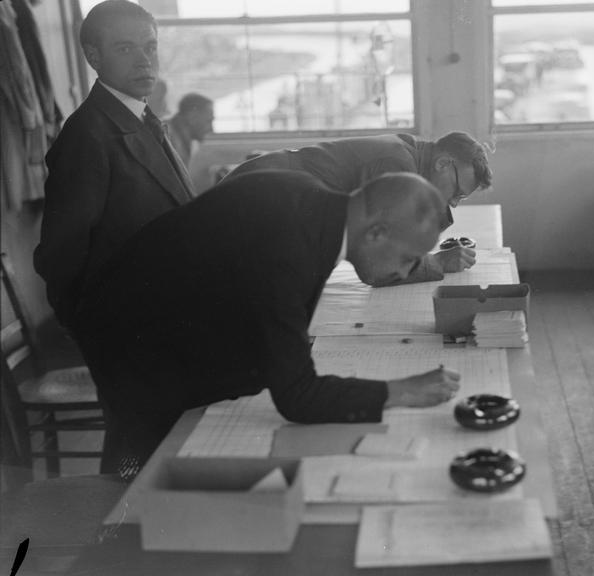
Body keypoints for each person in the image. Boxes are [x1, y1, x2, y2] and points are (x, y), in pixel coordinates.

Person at [73, 169, 461, 478]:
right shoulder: (290, 248)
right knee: (148, 471)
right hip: (130, 337)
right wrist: (401, 390)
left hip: (164, 310)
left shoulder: (310, 200)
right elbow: (297, 397)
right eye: (410, 257)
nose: (407, 271)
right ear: (376, 232)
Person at [34, 0, 194, 330]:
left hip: (170, 309)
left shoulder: (142, 117)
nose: (144, 60)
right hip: (130, 325)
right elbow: (60, 257)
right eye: (125, 49)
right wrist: (98, 339)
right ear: (94, 58)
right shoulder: (87, 137)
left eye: (151, 47)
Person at [224, 131, 493, 284]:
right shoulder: (396, 164)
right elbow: (375, 266)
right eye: (457, 192)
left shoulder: (408, 152)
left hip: (267, 194)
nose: (455, 202)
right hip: (256, 200)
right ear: (443, 163)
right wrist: (437, 263)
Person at [166, 92, 215, 169]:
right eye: (208, 121)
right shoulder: (167, 138)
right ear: (193, 117)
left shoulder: (180, 136)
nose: (211, 129)